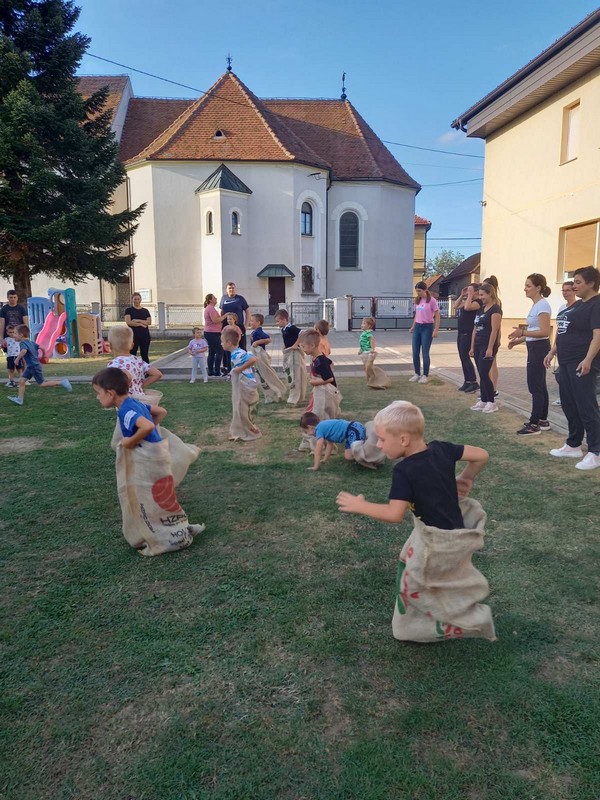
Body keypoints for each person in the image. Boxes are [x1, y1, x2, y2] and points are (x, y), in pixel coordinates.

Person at [92, 367, 204, 556]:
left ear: (110, 393)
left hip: (148, 460)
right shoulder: (136, 403)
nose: (97, 398)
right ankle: (176, 529)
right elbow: (161, 412)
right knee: (162, 496)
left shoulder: (125, 411)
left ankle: (162, 536)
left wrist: (130, 441)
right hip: (159, 455)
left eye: (98, 393)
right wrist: (152, 433)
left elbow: (147, 425)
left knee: (147, 498)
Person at [336, 400, 489, 529]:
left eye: (382, 439)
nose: (378, 445)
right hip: (458, 531)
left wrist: (361, 506)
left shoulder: (404, 470)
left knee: (413, 564)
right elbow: (481, 455)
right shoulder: (442, 448)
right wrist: (466, 478)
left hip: (436, 541)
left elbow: (394, 514)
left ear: (403, 440)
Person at [543, 266, 600, 471]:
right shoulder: (573, 308)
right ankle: (573, 445)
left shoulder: (596, 305)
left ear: (591, 283)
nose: (574, 286)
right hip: (565, 362)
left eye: (577, 282)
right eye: (573, 282)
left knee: (586, 406)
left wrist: (587, 360)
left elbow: (597, 336)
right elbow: (562, 332)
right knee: (569, 404)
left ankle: (595, 451)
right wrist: (552, 352)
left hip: (581, 362)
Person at [507, 273, 552, 435]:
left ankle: (534, 425)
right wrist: (518, 340)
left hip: (540, 348)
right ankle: (542, 420)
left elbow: (545, 331)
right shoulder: (536, 305)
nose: (525, 289)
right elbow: (535, 331)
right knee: (539, 384)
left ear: (538, 287)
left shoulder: (542, 306)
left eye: (528, 286)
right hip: (535, 347)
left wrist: (522, 332)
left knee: (535, 386)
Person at [8, 324, 72, 405]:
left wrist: (17, 359)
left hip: (34, 366)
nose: (14, 335)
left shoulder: (23, 343)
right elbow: (42, 348)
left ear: (21, 335)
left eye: (15, 333)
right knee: (21, 381)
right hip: (31, 366)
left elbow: (24, 351)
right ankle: (19, 399)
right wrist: (44, 355)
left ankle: (62, 382)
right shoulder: (31, 342)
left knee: (42, 384)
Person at [221, 326, 261, 440]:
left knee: (242, 409)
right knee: (241, 409)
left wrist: (238, 370)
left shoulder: (238, 353)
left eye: (222, 342)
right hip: (246, 383)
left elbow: (253, 359)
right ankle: (241, 430)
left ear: (229, 342)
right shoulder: (236, 353)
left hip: (246, 384)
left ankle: (249, 431)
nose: (221, 344)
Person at [469, 283, 502, 414]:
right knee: (481, 373)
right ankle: (483, 400)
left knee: (484, 373)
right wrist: (472, 346)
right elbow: (475, 328)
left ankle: (491, 402)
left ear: (490, 294)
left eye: (482, 295)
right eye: (479, 295)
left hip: (487, 345)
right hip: (477, 344)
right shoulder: (481, 310)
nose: (480, 297)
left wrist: (490, 348)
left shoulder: (495, 310)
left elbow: (495, 330)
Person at [300, 412, 367, 471]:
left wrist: (315, 467)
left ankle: (369, 458)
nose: (308, 434)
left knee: (356, 452)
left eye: (306, 431)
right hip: (352, 431)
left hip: (354, 429)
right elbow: (330, 445)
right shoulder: (324, 428)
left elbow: (318, 451)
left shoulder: (318, 429)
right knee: (348, 457)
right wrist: (325, 460)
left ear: (310, 427)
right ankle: (361, 457)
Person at [107, 326, 162, 397]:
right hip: (141, 399)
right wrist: (140, 386)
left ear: (110, 346)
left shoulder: (114, 365)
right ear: (132, 345)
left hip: (125, 401)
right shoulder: (138, 361)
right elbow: (157, 374)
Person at [249, 313, 286, 403]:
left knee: (265, 375)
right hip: (257, 356)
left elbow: (268, 339)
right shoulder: (255, 332)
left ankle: (275, 393)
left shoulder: (258, 332)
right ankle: (270, 396)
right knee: (261, 375)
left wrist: (257, 342)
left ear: (258, 322)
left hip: (260, 355)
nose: (250, 322)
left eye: (252, 321)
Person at [409, 282, 440, 384]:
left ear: (425, 289)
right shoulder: (417, 300)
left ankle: (425, 375)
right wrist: (413, 326)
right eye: (417, 291)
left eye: (420, 291)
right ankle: (417, 373)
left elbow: (437, 315)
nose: (418, 293)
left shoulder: (432, 301)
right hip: (418, 326)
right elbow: (417, 314)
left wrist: (436, 329)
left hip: (427, 327)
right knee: (415, 352)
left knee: (425, 352)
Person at [552, 281, 577, 406]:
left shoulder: (578, 307)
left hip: (572, 348)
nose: (565, 293)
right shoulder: (562, 308)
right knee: (562, 375)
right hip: (561, 346)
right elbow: (559, 329)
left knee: (572, 376)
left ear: (574, 291)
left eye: (568, 290)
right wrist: (554, 348)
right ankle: (563, 397)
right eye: (563, 290)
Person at [454, 283, 480, 394]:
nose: (468, 293)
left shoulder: (478, 302)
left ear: (476, 292)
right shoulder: (468, 300)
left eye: (471, 290)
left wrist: (470, 295)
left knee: (466, 357)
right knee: (462, 357)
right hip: (461, 333)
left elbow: (468, 307)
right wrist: (462, 295)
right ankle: (467, 381)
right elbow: (456, 306)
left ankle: (474, 382)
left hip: (468, 333)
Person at [219, 282, 250, 351]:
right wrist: (221, 324)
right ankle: (227, 361)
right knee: (226, 347)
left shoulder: (240, 299)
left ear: (235, 289)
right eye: (229, 288)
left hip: (239, 326)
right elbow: (221, 311)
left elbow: (247, 311)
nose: (231, 289)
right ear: (226, 290)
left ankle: (242, 361)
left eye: (233, 288)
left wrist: (246, 325)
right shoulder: (223, 298)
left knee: (241, 347)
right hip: (226, 326)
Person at [124, 293, 152, 363]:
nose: (137, 301)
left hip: (145, 336)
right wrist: (141, 325)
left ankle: (146, 371)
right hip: (133, 336)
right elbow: (129, 322)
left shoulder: (145, 311)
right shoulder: (129, 310)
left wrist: (137, 320)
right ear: (132, 300)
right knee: (132, 354)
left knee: (144, 355)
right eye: (135, 299)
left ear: (140, 300)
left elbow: (149, 322)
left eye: (138, 299)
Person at [203, 294, 224, 377]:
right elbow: (215, 320)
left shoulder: (210, 308)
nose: (216, 299)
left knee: (212, 352)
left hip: (211, 332)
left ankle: (211, 371)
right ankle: (217, 371)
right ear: (210, 300)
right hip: (212, 333)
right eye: (214, 298)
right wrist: (224, 316)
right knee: (220, 350)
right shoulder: (210, 308)